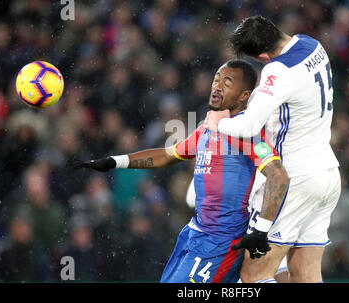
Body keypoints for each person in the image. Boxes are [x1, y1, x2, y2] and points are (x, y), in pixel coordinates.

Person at [67, 59, 289, 283]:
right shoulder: (206, 129)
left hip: (221, 241)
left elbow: (278, 175)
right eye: (216, 79)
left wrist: (260, 231)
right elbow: (167, 155)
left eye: (227, 82)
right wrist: (115, 161)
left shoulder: (244, 131)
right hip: (195, 233)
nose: (217, 86)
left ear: (244, 96)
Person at [204, 15, 341, 283]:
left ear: (264, 54)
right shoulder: (312, 44)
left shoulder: (277, 70)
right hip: (327, 175)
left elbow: (249, 126)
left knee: (254, 273)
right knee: (305, 271)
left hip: (294, 180)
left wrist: (218, 124)